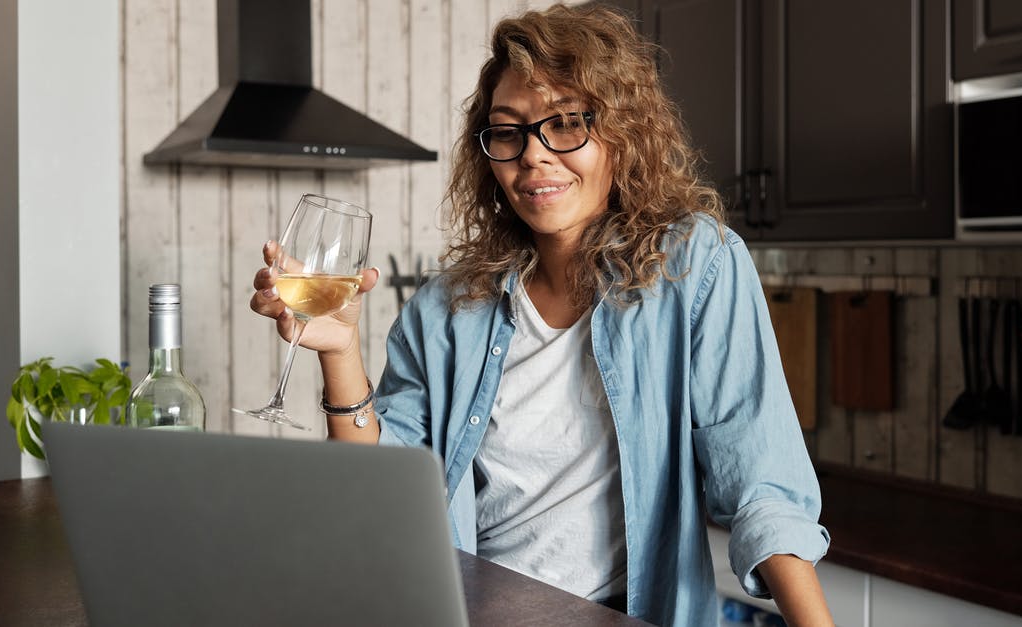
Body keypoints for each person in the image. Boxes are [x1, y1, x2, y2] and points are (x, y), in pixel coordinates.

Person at [250, 4, 832, 625]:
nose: (534, 156)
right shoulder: (446, 306)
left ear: (623, 134)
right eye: (510, 131)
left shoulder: (694, 265)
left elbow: (762, 486)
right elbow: (384, 489)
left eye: (567, 123)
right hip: (467, 609)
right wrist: (342, 352)